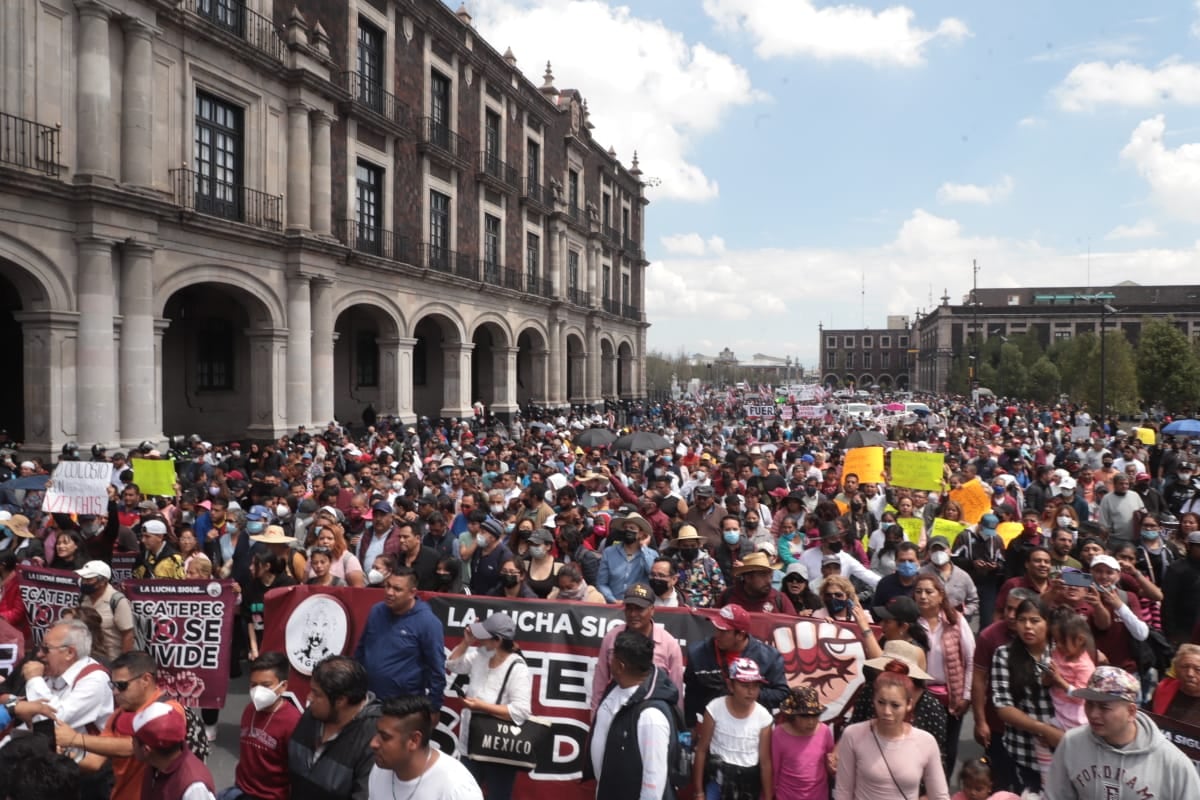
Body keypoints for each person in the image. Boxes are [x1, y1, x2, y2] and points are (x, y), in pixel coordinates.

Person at [1046, 666, 1200, 798]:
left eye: (1104, 707)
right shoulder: (1072, 743)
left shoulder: (1173, 764)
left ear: (1131, 712)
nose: (1093, 714)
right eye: (1089, 704)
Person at [53, 650, 186, 800]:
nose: (115, 692)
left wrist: (75, 739)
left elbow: (135, 746)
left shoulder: (169, 711)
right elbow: (94, 762)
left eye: (121, 685)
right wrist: (60, 755)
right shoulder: (119, 714)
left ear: (146, 680)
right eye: (112, 685)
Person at [444, 612, 531, 800]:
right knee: (463, 795)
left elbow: (521, 712)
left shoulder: (518, 668)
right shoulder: (480, 655)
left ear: (497, 640)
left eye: (484, 635)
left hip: (497, 750)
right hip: (470, 745)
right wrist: (466, 642)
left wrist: (481, 706)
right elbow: (452, 664)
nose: (479, 639)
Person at [833, 664, 950, 800]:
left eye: (895, 705)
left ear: (909, 704)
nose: (887, 711)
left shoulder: (926, 742)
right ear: (873, 700)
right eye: (881, 702)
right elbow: (843, 791)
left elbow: (940, 795)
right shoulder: (853, 734)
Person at [590, 630, 679, 800]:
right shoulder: (615, 689)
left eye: (613, 656)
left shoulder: (651, 717)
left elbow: (653, 782)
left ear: (620, 666)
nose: (609, 660)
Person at [991, 596, 1059, 793]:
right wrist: (1045, 730)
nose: (1027, 627)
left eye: (1035, 621)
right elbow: (1004, 707)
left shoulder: (1061, 651)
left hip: (1064, 751)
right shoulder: (1004, 654)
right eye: (1022, 620)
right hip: (1023, 752)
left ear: (1048, 623)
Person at [289, 656, 382, 800]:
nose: (309, 698)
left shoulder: (375, 737)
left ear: (341, 701)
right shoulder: (313, 714)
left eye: (316, 693)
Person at [353, 566, 447, 705]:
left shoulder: (428, 622)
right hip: (367, 699)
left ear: (412, 593)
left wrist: (434, 706)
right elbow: (361, 650)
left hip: (403, 706)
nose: (390, 592)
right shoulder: (376, 611)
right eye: (388, 586)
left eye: (397, 589)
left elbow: (437, 670)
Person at [684, 604, 789, 722]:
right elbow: (691, 694)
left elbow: (782, 693)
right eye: (717, 629)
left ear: (740, 635)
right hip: (710, 724)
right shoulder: (698, 653)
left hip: (752, 725)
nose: (717, 635)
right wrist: (691, 724)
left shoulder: (769, 657)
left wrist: (748, 693)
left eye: (724, 631)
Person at [591, 583, 685, 713]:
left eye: (639, 609)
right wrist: (596, 715)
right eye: (629, 608)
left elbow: (676, 689)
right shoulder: (612, 638)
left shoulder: (669, 644)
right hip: (616, 711)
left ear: (652, 610)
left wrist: (676, 723)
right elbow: (600, 683)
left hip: (653, 715)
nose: (633, 614)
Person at [367, 695, 482, 800]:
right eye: (377, 733)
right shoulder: (379, 771)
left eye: (385, 737)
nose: (373, 743)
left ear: (414, 740)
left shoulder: (456, 789)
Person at [221, 652, 301, 800]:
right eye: (253, 685)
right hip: (240, 789)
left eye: (265, 685)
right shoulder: (250, 709)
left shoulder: (293, 722)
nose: (258, 691)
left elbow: (298, 772)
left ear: (283, 686)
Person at [692, 658, 774, 800]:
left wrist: (767, 796)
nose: (751, 691)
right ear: (731, 685)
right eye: (744, 685)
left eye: (755, 686)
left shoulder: (763, 717)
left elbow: (765, 762)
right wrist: (698, 791)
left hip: (748, 787)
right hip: (716, 783)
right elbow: (701, 750)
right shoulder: (714, 708)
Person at [1035, 612, 1095, 778]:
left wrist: (1059, 680)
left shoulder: (1085, 666)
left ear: (1080, 640)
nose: (1058, 646)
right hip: (1059, 712)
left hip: (1076, 718)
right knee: (1040, 737)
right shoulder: (1057, 654)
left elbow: (1080, 696)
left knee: (1076, 755)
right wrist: (1048, 677)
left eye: (1062, 641)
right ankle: (1047, 778)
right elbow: (1045, 681)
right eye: (1056, 641)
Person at [131, 701, 216, 800]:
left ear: (146, 750)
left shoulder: (194, 789)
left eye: (133, 738)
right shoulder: (155, 765)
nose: (131, 742)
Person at [768, 686, 836, 800]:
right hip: (787, 795)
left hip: (819, 795)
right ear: (792, 715)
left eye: (815, 715)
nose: (811, 722)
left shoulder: (824, 731)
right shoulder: (779, 734)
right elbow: (773, 769)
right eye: (804, 716)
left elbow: (830, 763)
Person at [75, 560, 134, 663]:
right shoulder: (83, 598)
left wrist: (122, 664)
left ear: (103, 581)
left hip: (112, 659)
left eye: (89, 580)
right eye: (83, 579)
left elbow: (128, 635)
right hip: (87, 659)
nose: (84, 583)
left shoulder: (117, 601)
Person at [596, 512, 658, 603]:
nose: (628, 530)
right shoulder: (609, 552)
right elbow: (601, 583)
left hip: (639, 604)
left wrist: (644, 547)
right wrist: (613, 600)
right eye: (625, 528)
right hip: (613, 606)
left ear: (641, 534)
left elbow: (652, 574)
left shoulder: (652, 554)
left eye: (632, 528)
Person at [672, 524, 727, 608]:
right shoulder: (673, 563)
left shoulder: (709, 563)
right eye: (685, 546)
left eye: (693, 545)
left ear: (698, 544)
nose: (689, 548)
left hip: (705, 609)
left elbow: (720, 589)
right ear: (679, 546)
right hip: (680, 607)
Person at [719, 551, 789, 614]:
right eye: (763, 575)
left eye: (770, 575)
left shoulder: (780, 600)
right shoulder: (728, 596)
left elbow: (793, 625)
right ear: (748, 577)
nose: (769, 580)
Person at [1150, 643, 1200, 720]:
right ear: (1176, 669)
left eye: (1198, 669)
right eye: (1184, 667)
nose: (1190, 674)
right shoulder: (1163, 688)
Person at [952, 758, 1020, 800]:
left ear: (989, 787)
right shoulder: (958, 798)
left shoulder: (1001, 797)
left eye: (978, 789)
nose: (972, 792)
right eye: (968, 787)